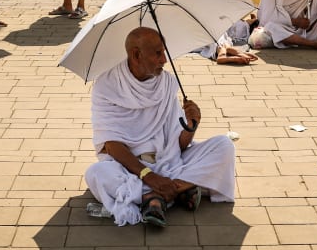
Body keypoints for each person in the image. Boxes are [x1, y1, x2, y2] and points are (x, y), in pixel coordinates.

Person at [84, 27, 236, 227]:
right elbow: (111, 145)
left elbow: (178, 145)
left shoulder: (166, 83)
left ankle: (155, 198)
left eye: (164, 52)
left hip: (169, 161)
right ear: (137, 55)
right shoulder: (107, 86)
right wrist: (149, 176)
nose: (164, 60)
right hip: (128, 167)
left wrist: (191, 126)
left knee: (224, 146)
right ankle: (179, 189)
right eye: (158, 54)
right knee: (97, 173)